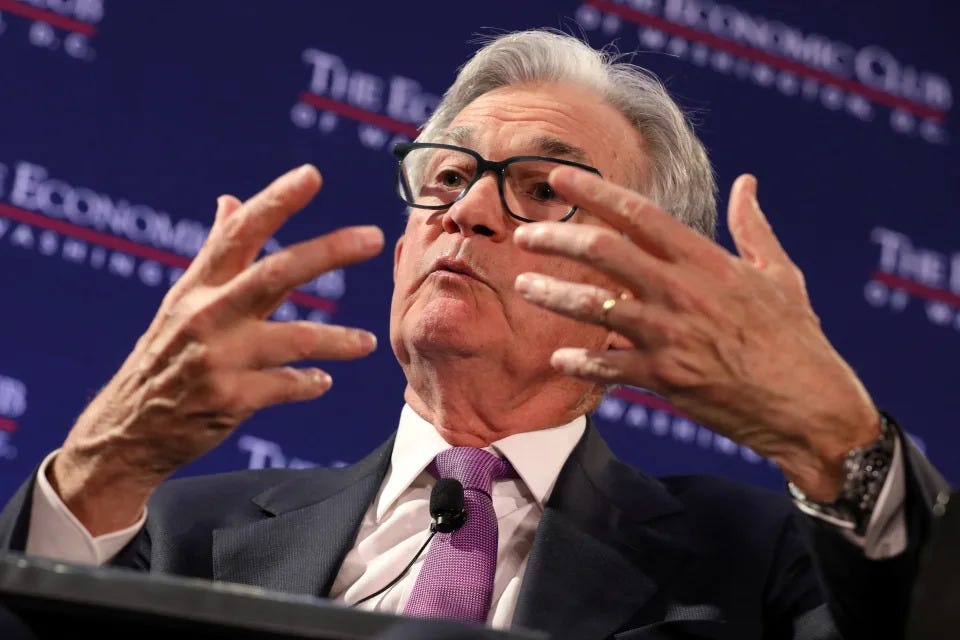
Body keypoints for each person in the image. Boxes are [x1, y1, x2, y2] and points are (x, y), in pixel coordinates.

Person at [0, 29, 947, 640]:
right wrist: (101, 463)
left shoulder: (756, 563)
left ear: (637, 271)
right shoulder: (181, 534)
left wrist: (840, 441)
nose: (470, 212)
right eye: (448, 177)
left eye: (542, 190)